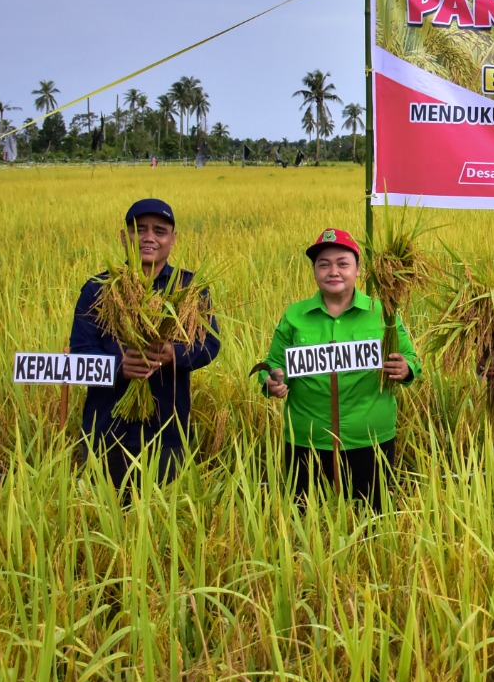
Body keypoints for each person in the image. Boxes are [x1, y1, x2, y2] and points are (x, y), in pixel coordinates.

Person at [260, 228, 419, 506]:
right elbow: (273, 363)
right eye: (324, 264)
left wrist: (405, 369)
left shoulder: (382, 312)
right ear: (314, 272)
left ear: (358, 270)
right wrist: (272, 380)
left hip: (369, 439)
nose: (333, 271)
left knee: (373, 520)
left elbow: (412, 360)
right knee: (306, 524)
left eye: (343, 264)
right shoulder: (295, 315)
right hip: (307, 440)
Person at [70, 198, 221, 487]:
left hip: (167, 430)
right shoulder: (99, 288)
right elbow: (79, 354)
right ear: (123, 237)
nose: (149, 237)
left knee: (164, 521)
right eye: (139, 230)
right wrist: (119, 366)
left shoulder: (189, 288)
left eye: (159, 231)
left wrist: (172, 354)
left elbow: (209, 346)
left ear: (173, 239)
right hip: (106, 429)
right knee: (105, 514)